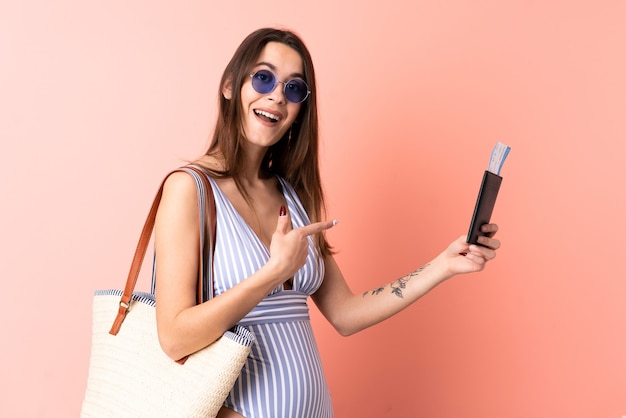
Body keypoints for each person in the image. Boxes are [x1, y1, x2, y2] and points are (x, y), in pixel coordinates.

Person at [153, 27, 500, 418]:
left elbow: (346, 314)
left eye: (294, 89)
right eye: (263, 77)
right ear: (231, 86)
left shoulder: (291, 195)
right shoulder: (189, 190)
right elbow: (174, 338)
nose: (277, 97)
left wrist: (444, 264)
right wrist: (272, 274)